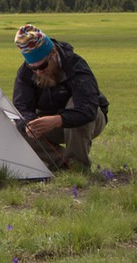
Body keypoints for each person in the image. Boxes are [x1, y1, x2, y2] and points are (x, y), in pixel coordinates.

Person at [12, 23, 109, 171]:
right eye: (34, 68)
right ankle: (64, 165)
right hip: (48, 122)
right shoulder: (25, 72)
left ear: (53, 53)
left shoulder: (76, 65)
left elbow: (88, 109)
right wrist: (30, 123)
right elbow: (21, 107)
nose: (38, 72)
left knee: (74, 105)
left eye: (43, 66)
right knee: (15, 125)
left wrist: (58, 120)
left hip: (90, 121)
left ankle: (78, 166)